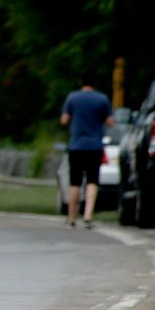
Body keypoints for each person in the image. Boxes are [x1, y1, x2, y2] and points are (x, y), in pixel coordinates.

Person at [61, 72, 114, 230]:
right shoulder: (102, 99)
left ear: (80, 82)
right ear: (94, 83)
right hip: (95, 146)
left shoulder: (72, 97)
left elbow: (64, 120)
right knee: (92, 181)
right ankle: (88, 216)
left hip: (76, 146)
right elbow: (110, 122)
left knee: (75, 183)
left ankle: (71, 218)